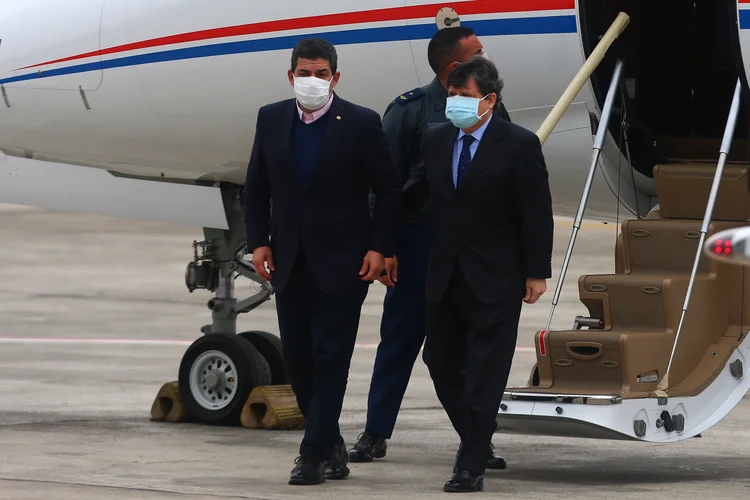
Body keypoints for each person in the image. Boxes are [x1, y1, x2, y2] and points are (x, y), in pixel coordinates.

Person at [243, 37, 402, 486]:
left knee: (331, 357)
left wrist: (380, 246)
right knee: (298, 361)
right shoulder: (271, 118)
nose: (312, 80)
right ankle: (330, 442)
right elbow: (257, 187)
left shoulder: (360, 122)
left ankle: (311, 455)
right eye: (304, 73)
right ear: (290, 75)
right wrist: (259, 241)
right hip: (290, 259)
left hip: (346, 261)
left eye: (321, 73)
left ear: (335, 76)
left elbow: (388, 190)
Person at [349, 26, 511, 468]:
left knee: (462, 349)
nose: (487, 56)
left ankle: (476, 441)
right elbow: (383, 187)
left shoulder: (490, 104)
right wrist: (385, 247)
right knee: (400, 340)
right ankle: (375, 433)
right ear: (455, 67)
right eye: (478, 52)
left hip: (470, 248)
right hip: (419, 243)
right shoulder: (409, 111)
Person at [403, 56, 554, 493]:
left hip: (498, 277)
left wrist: (536, 271)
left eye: (464, 96)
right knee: (440, 361)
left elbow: (535, 213)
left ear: (488, 100)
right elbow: (416, 195)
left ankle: (470, 464)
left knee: (487, 370)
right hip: (445, 273)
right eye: (451, 95)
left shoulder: (519, 145)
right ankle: (477, 438)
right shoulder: (436, 140)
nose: (455, 103)